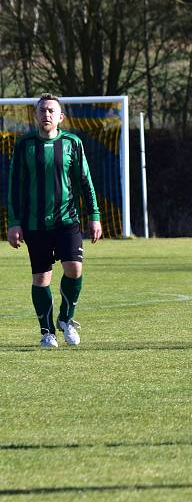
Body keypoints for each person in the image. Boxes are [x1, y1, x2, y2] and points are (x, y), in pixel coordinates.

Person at [6, 93, 103, 349]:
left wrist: (95, 216)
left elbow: (85, 182)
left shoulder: (72, 142)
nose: (46, 115)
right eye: (42, 111)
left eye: (51, 111)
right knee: (42, 278)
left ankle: (66, 320)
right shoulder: (24, 145)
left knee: (74, 268)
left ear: (60, 117)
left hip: (67, 219)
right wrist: (14, 222)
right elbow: (14, 186)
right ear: (35, 115)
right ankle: (47, 332)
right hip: (35, 223)